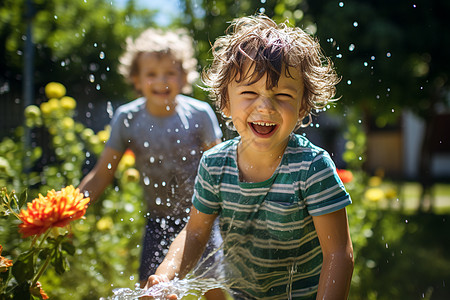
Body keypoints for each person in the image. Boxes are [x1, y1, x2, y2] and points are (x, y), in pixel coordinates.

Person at [144, 14, 354, 300]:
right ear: (226, 102)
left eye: (282, 95)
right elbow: (194, 234)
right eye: (249, 92)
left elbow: (338, 254)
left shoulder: (312, 167)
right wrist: (166, 275)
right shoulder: (215, 165)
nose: (265, 106)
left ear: (303, 105)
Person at [78, 28, 227, 299]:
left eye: (170, 73)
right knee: (151, 288)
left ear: (184, 77)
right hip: (157, 221)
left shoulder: (199, 114)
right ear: (136, 79)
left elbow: (220, 168)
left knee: (211, 286)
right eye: (151, 74)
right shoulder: (128, 118)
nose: (161, 80)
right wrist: (69, 211)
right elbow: (101, 175)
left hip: (201, 218)